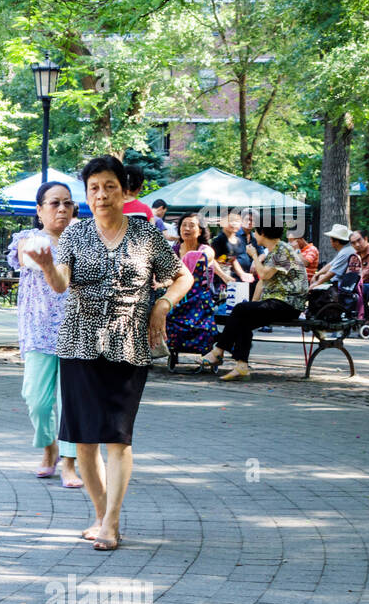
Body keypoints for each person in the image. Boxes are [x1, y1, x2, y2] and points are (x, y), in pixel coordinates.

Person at [29, 155, 191, 551]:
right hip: (78, 342)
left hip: (128, 343)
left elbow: (182, 274)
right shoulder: (75, 234)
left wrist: (163, 303)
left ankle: (113, 522)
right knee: (84, 439)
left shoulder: (146, 236)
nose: (101, 195)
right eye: (94, 188)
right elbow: (61, 284)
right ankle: (100, 514)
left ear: (124, 190)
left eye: (109, 186)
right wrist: (49, 267)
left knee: (118, 439)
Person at [7, 180, 82, 488]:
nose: (62, 209)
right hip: (38, 331)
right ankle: (49, 445)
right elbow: (29, 259)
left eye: (67, 203)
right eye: (54, 203)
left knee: (72, 402)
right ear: (39, 211)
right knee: (36, 400)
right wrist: (48, 262)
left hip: (77, 331)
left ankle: (69, 463)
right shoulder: (28, 239)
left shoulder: (83, 241)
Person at [197, 221, 309, 380]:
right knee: (243, 318)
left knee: (240, 310)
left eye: (256, 231)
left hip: (288, 304)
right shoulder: (276, 250)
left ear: (262, 232)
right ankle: (241, 365)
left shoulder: (282, 250)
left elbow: (263, 275)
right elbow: (262, 283)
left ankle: (218, 351)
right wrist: (252, 304)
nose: (255, 235)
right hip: (278, 302)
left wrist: (255, 255)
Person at [167, 212, 225, 361]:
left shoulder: (205, 249)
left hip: (198, 297)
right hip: (178, 294)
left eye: (192, 225)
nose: (186, 228)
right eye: (183, 225)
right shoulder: (173, 250)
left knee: (201, 315)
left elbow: (207, 256)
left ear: (200, 230)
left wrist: (190, 259)